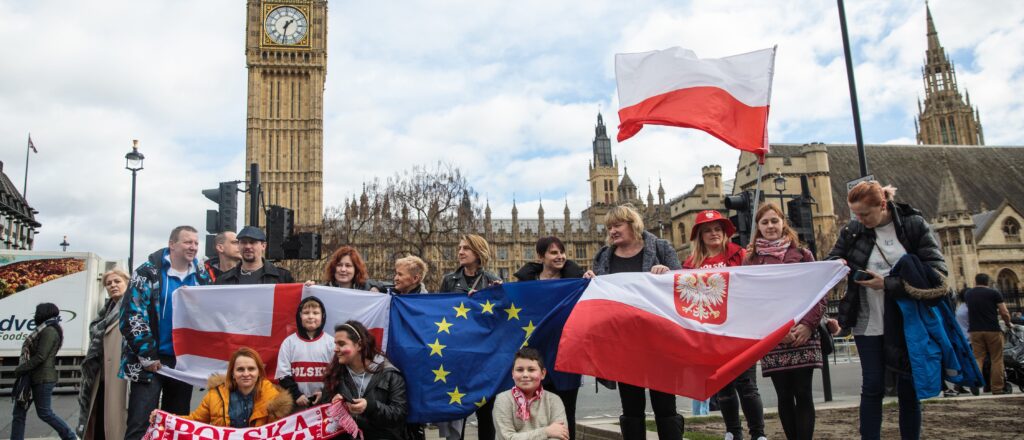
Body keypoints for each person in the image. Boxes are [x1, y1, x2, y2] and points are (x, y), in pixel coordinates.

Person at [827, 181, 947, 440]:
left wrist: (888, 284)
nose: (859, 219)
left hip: (906, 320)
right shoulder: (853, 231)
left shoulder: (913, 225)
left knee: (907, 386)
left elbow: (937, 272)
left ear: (882, 205)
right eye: (855, 214)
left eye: (864, 214)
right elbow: (832, 259)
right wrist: (836, 263)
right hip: (867, 319)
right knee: (872, 386)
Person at [583, 204, 683, 440]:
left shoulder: (660, 248)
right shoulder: (604, 256)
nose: (612, 231)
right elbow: (602, 298)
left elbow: (682, 285)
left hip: (659, 342)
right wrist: (591, 280)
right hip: (625, 344)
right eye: (609, 227)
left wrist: (667, 273)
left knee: (665, 406)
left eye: (617, 225)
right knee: (631, 409)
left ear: (633, 224)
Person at [121, 225, 213, 440]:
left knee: (177, 425)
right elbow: (131, 315)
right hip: (150, 363)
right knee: (140, 424)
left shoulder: (201, 276)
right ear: (172, 244)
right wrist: (148, 356)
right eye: (187, 242)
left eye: (196, 243)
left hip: (182, 363)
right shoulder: (147, 272)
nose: (193, 247)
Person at [683, 210, 764, 440]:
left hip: (740, 329)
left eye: (717, 229)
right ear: (700, 235)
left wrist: (752, 261)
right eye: (707, 230)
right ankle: (733, 433)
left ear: (724, 232)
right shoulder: (690, 265)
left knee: (747, 385)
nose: (713, 234)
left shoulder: (740, 255)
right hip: (712, 333)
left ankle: (758, 434)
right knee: (724, 388)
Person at [745, 204, 820, 440]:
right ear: (758, 227)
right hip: (775, 336)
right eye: (765, 222)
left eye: (774, 221)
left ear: (783, 223)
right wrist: (776, 331)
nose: (770, 226)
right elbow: (751, 300)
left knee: (804, 394)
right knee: (784, 396)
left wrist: (808, 324)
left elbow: (819, 290)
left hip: (803, 333)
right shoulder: (751, 261)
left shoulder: (803, 255)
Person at [513, 236, 584, 440]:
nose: (560, 256)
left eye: (562, 252)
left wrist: (589, 279)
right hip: (536, 356)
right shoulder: (527, 283)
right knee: (535, 412)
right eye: (554, 252)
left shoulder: (576, 281)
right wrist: (495, 290)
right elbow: (509, 307)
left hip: (566, 355)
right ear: (540, 256)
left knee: (565, 412)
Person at [151, 347, 292, 427]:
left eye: (251, 369)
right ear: (233, 373)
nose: (246, 374)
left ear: (259, 372)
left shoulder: (273, 397)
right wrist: (165, 418)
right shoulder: (216, 395)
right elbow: (194, 421)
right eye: (240, 369)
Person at [324, 320, 409, 439]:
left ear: (359, 345)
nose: (335, 349)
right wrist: (333, 406)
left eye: (341, 344)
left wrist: (371, 406)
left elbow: (399, 415)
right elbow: (323, 415)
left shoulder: (390, 374)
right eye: (335, 344)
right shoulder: (335, 374)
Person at [76, 269, 130, 440]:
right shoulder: (105, 311)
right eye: (108, 283)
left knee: (116, 424)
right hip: (99, 376)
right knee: (98, 422)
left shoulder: (132, 307)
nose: (113, 285)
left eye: (117, 281)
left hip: (121, 376)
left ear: (127, 283)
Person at [11, 303, 76, 440]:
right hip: (31, 377)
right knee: (19, 412)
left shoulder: (49, 331)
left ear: (44, 312)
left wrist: (20, 369)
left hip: (43, 378)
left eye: (37, 312)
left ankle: (70, 436)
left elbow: (41, 356)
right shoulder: (43, 329)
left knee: (45, 413)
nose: (36, 315)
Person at [492, 348, 569, 440]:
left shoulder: (554, 400)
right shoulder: (503, 400)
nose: (525, 374)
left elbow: (561, 435)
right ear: (513, 373)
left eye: (531, 370)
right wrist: (546, 432)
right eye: (520, 370)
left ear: (543, 373)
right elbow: (506, 437)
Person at [276, 296, 335, 408]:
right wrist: (296, 395)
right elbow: (283, 375)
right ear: (300, 316)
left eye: (315, 313)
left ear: (322, 316)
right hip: (295, 404)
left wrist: (324, 394)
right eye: (306, 312)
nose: (311, 316)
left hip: (324, 403)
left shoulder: (332, 343)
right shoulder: (289, 342)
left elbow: (337, 375)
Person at [965, 273, 1014, 395]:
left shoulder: (968, 294)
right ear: (987, 282)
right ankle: (997, 388)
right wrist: (1008, 323)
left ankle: (975, 383)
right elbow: (1004, 312)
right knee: (996, 359)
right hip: (992, 329)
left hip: (975, 331)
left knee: (978, 358)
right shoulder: (994, 293)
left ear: (975, 282)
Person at [217, 226, 295, 285]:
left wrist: (307, 291)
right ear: (239, 245)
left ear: (263, 246)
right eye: (243, 242)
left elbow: (298, 304)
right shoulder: (223, 280)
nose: (247, 246)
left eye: (252, 242)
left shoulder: (283, 277)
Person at [312, 246, 379, 291]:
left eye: (348, 266)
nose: (343, 269)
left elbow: (386, 286)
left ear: (356, 269)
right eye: (339, 265)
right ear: (333, 268)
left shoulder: (365, 288)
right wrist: (309, 288)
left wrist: (378, 288)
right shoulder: (323, 289)